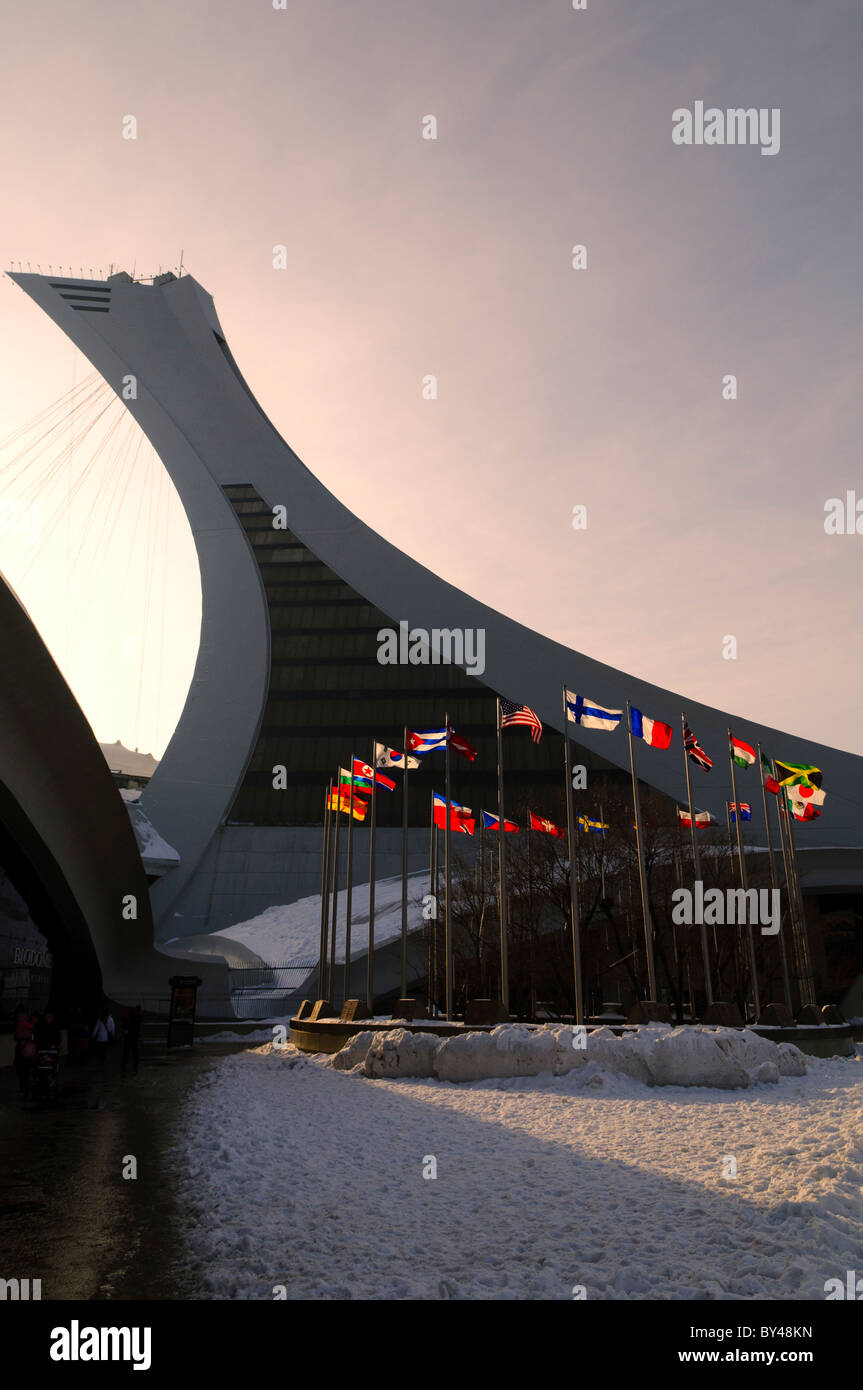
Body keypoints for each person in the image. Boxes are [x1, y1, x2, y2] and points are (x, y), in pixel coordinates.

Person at [121, 1005, 143, 1076]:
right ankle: (134, 1068)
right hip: (134, 1037)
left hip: (128, 1037)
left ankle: (124, 1067)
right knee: (135, 1053)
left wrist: (125, 1030)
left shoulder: (129, 1016)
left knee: (126, 1052)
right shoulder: (138, 1017)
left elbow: (125, 1021)